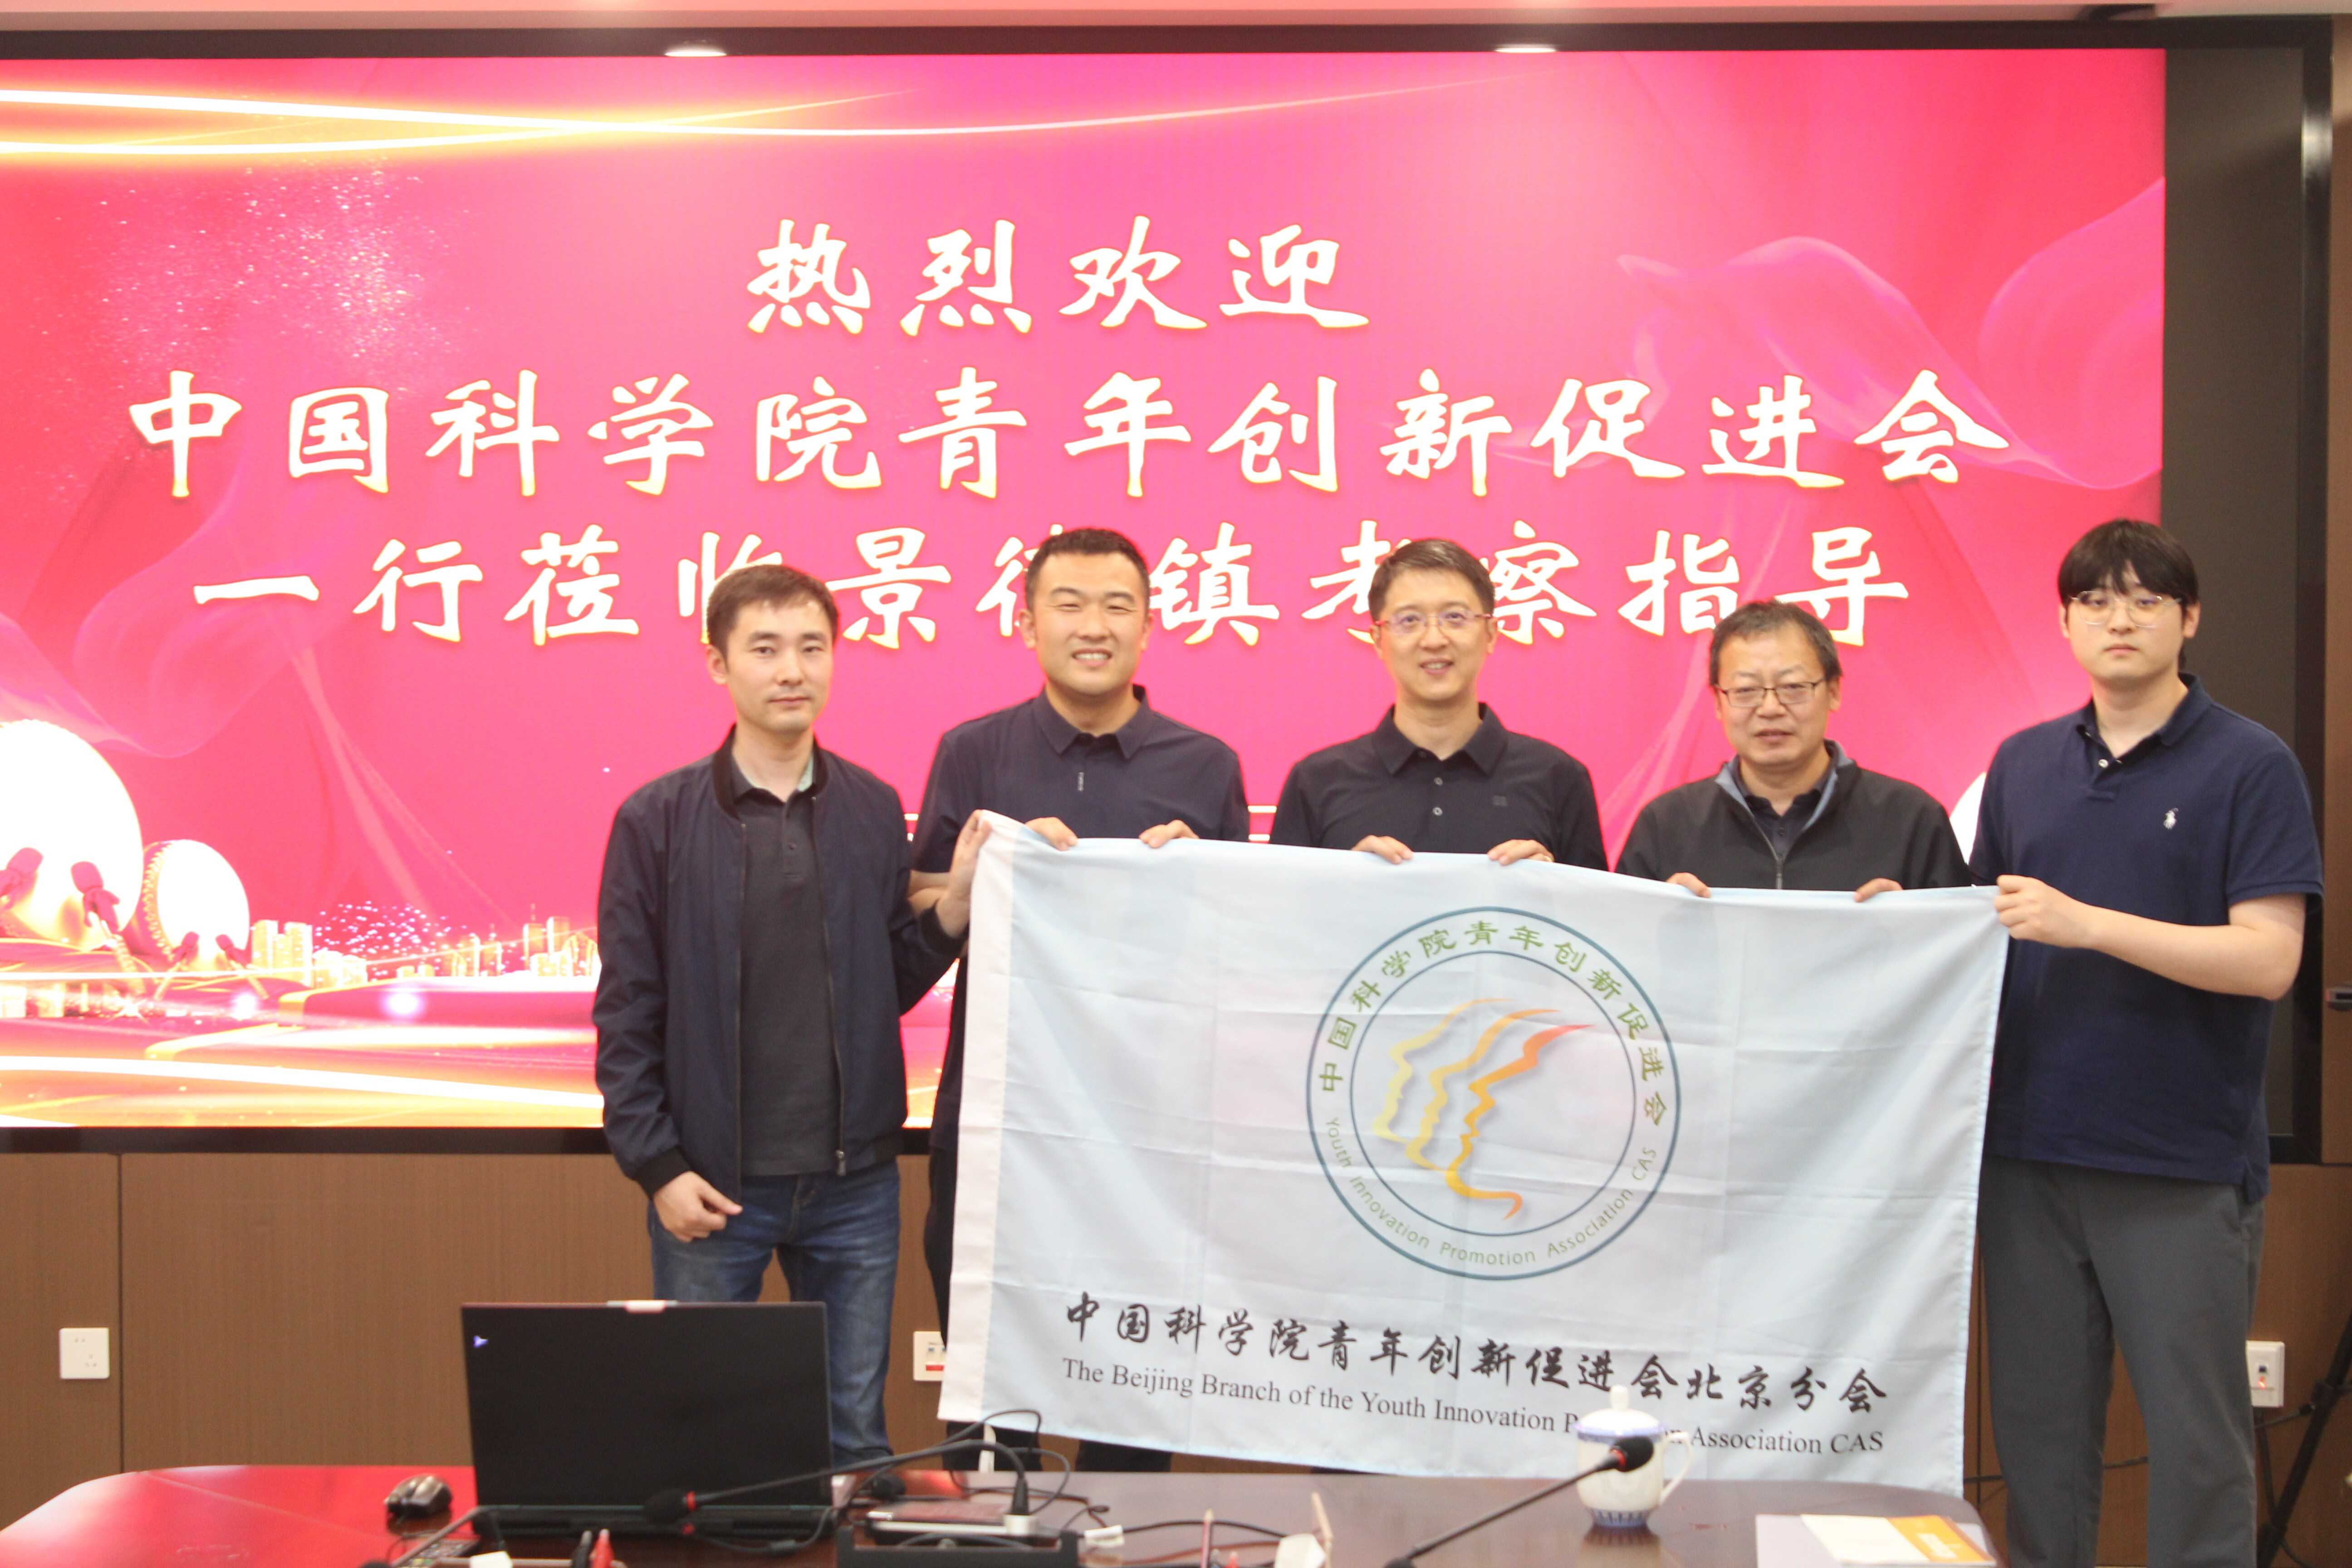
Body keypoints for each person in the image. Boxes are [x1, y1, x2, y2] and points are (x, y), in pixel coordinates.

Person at [1970, 519, 2320, 1568]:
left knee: (2196, 1442)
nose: (2117, 618)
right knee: (2036, 1442)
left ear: (2188, 617)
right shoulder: (2022, 761)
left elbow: (2269, 959)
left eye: (2143, 598)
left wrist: (2089, 924)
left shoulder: (2250, 763)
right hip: (2028, 1154)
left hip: (2177, 1162)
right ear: (2064, 621)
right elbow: (1976, 933)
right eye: (2093, 600)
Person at [593, 562, 986, 1467]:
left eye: (811, 648)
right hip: (712, 1182)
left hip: (854, 1186)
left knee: (854, 1442)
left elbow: (882, 984)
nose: (791, 671)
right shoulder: (656, 820)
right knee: (701, 1443)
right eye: (765, 649)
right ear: (718, 663)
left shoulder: (870, 807)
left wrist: (953, 912)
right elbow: (627, 1010)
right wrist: (657, 1165)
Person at [910, 527, 1249, 1471]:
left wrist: (1202, 886)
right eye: (1068, 605)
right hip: (998, 1120)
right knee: (989, 1403)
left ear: (1148, 624)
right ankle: (994, 1532)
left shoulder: (1205, 764)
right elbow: (922, 902)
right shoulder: (973, 752)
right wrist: (975, 880)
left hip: (1149, 1129)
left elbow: (1244, 943)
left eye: (1116, 606)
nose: (1092, 626)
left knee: (1134, 1398)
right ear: (1027, 624)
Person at [1269, 537, 1604, 869]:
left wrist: (1553, 887)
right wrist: (1341, 883)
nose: (1433, 640)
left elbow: (1597, 904)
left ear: (1490, 634)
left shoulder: (1558, 779)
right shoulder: (1317, 782)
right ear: (1378, 641)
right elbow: (1278, 903)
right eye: (1409, 620)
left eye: (1454, 617)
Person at [1615, 599, 1968, 896]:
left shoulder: (1911, 820)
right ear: (1719, 703)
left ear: (1834, 692)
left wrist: (1910, 926)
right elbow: (1617, 946)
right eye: (1746, 690)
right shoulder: (1665, 826)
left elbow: (1959, 945)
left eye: (1793, 687)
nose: (1770, 708)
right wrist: (1660, 922)